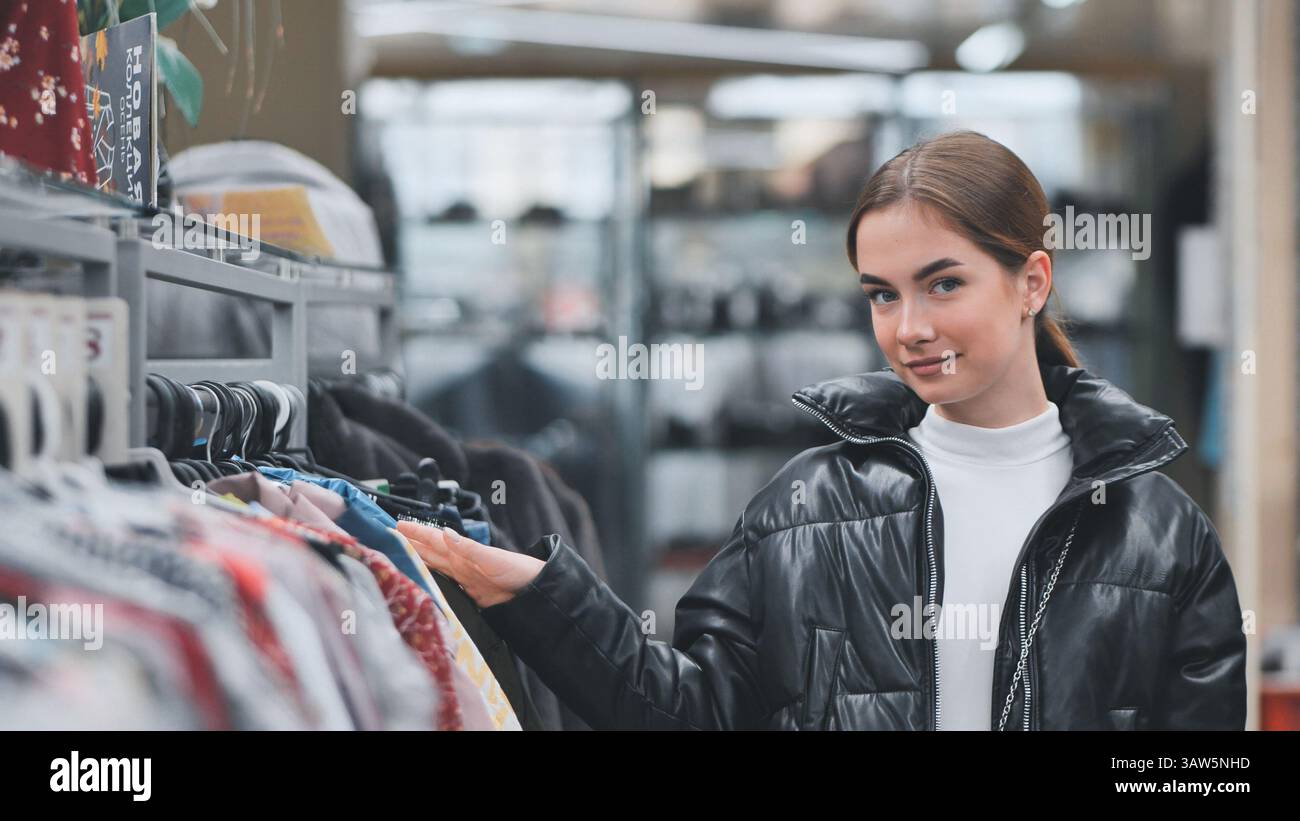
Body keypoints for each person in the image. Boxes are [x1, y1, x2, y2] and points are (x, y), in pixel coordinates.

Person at [397, 130, 1247, 731]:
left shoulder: (1160, 534)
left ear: (1032, 282)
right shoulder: (803, 506)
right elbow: (695, 714)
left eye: (943, 284)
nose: (909, 327)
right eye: (882, 294)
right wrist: (544, 597)